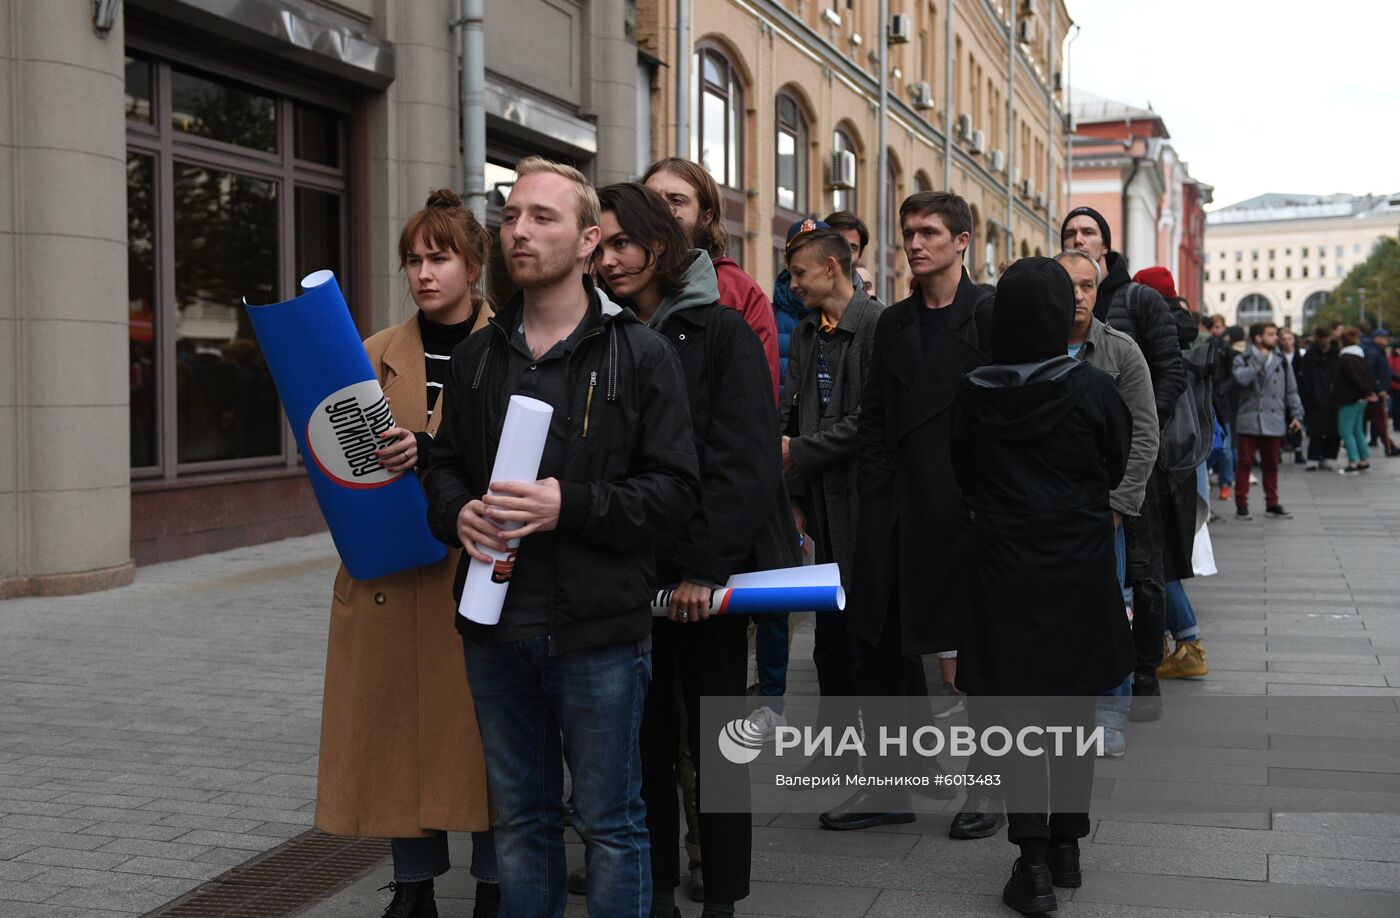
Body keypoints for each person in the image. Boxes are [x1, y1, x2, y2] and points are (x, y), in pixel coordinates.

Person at [424, 157, 701, 918]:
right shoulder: (478, 355)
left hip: (599, 634)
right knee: (521, 823)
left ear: (587, 243)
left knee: (610, 826)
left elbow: (676, 493)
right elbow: (441, 469)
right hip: (494, 628)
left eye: (541, 217)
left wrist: (566, 505)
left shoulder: (640, 354)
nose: (519, 229)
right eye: (511, 215)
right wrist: (458, 515)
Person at [593, 182, 794, 918]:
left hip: (706, 582)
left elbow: (744, 460)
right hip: (625, 577)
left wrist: (704, 569)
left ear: (660, 245)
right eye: (601, 244)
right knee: (639, 747)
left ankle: (722, 898)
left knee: (716, 747)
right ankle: (655, 893)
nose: (610, 259)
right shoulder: (602, 335)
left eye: (623, 243)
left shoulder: (720, 332)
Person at [314, 189, 499, 918]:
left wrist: (432, 462)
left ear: (474, 264)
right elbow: (336, 460)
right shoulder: (370, 355)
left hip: (475, 569)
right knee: (395, 736)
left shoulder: (511, 348)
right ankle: (413, 886)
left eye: (440, 257)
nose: (423, 273)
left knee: (488, 741)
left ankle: (495, 883)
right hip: (390, 571)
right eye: (413, 260)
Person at [952, 256, 1135, 916]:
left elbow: (962, 472)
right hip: (1079, 567)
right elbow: (1115, 459)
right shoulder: (1092, 389)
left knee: (1019, 719)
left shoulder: (974, 391)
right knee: (1074, 712)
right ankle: (1067, 848)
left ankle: (1029, 866)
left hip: (1006, 568)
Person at [822, 191, 990, 832]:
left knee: (972, 662)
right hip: (892, 510)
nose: (915, 243)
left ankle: (987, 791)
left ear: (961, 241)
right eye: (908, 233)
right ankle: (893, 787)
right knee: (879, 653)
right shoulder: (890, 323)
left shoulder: (989, 315)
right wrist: (875, 496)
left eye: (929, 232)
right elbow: (873, 421)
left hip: (964, 511)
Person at [1062, 207, 1185, 720]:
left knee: (1142, 570)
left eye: (1089, 232)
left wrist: (1133, 430)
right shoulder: (1045, 317)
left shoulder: (1138, 301)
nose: (1080, 239)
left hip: (1133, 466)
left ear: (1106, 248)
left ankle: (1143, 674)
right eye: (1071, 234)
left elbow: (1169, 372)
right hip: (1070, 485)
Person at [780, 227, 884, 713]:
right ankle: (837, 748)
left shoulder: (879, 326)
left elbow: (870, 423)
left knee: (876, 641)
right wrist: (796, 499)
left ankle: (899, 762)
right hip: (822, 507)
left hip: (868, 505)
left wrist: (799, 451)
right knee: (830, 641)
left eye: (800, 273)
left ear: (831, 267)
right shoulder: (805, 334)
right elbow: (792, 411)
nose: (793, 284)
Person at [1058, 249, 1158, 754]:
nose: (1077, 295)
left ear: (1098, 292)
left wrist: (1118, 505)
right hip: (1048, 508)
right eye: (1068, 284)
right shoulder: (1030, 347)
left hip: (1103, 510)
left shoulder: (1121, 351)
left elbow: (1145, 435)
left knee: (1111, 609)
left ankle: (1110, 714)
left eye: (1086, 286)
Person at [642, 157, 780, 401]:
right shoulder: (619, 281)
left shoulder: (741, 292)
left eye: (676, 200)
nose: (662, 211)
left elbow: (758, 398)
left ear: (706, 217)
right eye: (652, 200)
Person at [1232, 322, 1305, 517]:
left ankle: (1272, 503)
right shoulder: (1243, 358)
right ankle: (1242, 504)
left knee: (1271, 464)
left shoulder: (1281, 361)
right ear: (1258, 338)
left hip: (1274, 418)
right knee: (1245, 463)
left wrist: (1297, 415)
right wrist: (1258, 362)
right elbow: (1241, 379)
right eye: (1271, 335)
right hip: (1249, 418)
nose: (1276, 338)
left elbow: (1291, 390)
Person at [1296, 325, 1341, 470]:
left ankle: (1327, 457)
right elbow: (1304, 377)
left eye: (1328, 337)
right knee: (1315, 430)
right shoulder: (1311, 355)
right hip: (1315, 397)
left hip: (1333, 397)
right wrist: (1309, 393)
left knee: (1332, 430)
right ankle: (1313, 457)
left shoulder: (1336, 353)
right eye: (1323, 338)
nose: (1326, 341)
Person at [1335, 327, 1378, 474]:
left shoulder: (1345, 358)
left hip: (1349, 399)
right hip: (1361, 399)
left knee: (1346, 431)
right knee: (1357, 431)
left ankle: (1353, 462)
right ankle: (1364, 459)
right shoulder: (1360, 356)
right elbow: (1368, 376)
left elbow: (1354, 379)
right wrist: (1369, 392)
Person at [1361, 328, 1396, 454]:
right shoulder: (1373, 352)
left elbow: (1386, 371)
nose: (1387, 340)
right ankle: (1389, 446)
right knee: (1380, 420)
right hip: (1374, 393)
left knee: (1369, 420)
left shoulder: (1377, 351)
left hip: (1373, 392)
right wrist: (1379, 389)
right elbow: (1371, 373)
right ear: (1377, 338)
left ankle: (1384, 445)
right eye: (1385, 337)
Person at [1278, 329, 1306, 463]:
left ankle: (1298, 449)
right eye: (1284, 339)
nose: (1287, 342)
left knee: (1296, 421)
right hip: (1279, 394)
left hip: (1297, 392)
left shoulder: (1300, 356)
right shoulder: (1278, 357)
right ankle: (1279, 449)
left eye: (1289, 339)